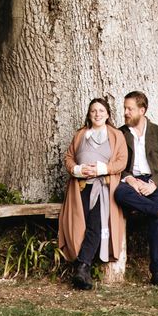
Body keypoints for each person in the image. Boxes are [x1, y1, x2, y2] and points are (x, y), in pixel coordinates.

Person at [114, 90, 158, 286]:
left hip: (156, 183)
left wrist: (152, 184)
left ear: (142, 110)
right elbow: (115, 164)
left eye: (130, 109)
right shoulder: (120, 134)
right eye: (125, 108)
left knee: (156, 215)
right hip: (130, 184)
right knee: (119, 193)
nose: (126, 112)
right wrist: (129, 179)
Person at [57, 97, 128, 290]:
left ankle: (82, 267)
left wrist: (101, 169)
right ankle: (83, 269)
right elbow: (69, 157)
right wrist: (78, 170)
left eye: (101, 111)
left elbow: (122, 161)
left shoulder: (115, 135)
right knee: (81, 225)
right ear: (89, 114)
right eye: (93, 111)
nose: (97, 114)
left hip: (103, 187)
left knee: (96, 225)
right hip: (80, 187)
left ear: (108, 114)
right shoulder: (81, 134)